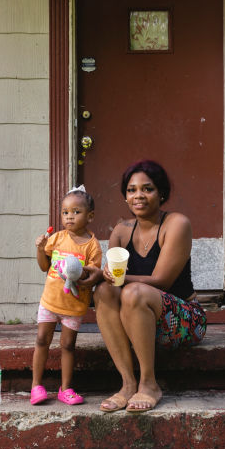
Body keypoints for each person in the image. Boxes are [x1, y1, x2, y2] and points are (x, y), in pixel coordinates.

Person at [93, 160, 206, 413]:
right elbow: (112, 281)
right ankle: (128, 384)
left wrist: (110, 277)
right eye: (131, 190)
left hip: (184, 320)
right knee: (103, 291)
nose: (138, 196)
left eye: (147, 189)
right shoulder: (121, 231)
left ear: (161, 192)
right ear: (125, 196)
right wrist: (98, 276)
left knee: (132, 291)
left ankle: (149, 383)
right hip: (135, 321)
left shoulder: (176, 224)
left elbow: (162, 281)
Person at [32, 185, 102, 406]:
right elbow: (44, 266)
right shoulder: (56, 239)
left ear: (90, 216)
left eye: (76, 212)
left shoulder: (93, 246)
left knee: (68, 345)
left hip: (74, 305)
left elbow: (91, 275)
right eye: (65, 212)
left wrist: (79, 274)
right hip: (50, 301)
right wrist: (40, 248)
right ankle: (36, 386)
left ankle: (66, 388)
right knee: (42, 340)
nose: (69, 216)